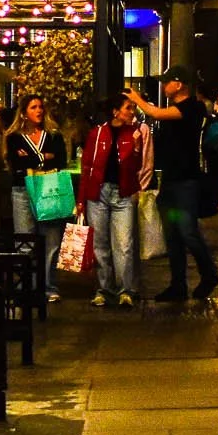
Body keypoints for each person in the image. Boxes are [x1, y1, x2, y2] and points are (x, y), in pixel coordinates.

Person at [126, 68, 218, 302]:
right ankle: (178, 285)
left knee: (188, 231)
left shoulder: (193, 108)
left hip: (187, 181)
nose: (163, 86)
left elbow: (156, 113)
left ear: (178, 85)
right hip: (170, 180)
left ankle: (209, 274)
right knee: (172, 235)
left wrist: (136, 98)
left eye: (166, 82)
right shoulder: (175, 111)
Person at [77, 93, 152, 308]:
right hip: (98, 193)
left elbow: (139, 165)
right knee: (100, 243)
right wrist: (81, 199)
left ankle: (126, 289)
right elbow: (87, 168)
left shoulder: (135, 133)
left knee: (124, 244)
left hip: (123, 193)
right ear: (115, 112)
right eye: (128, 108)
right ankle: (104, 288)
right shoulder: (97, 134)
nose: (132, 111)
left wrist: (139, 187)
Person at [4, 95, 70, 302]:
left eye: (41, 107)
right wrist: (44, 157)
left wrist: (32, 159)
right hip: (22, 190)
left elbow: (60, 159)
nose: (39, 111)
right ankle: (27, 287)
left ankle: (48, 285)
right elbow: (16, 162)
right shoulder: (14, 137)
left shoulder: (53, 135)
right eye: (33, 107)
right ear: (24, 113)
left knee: (51, 240)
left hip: (47, 188)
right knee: (25, 239)